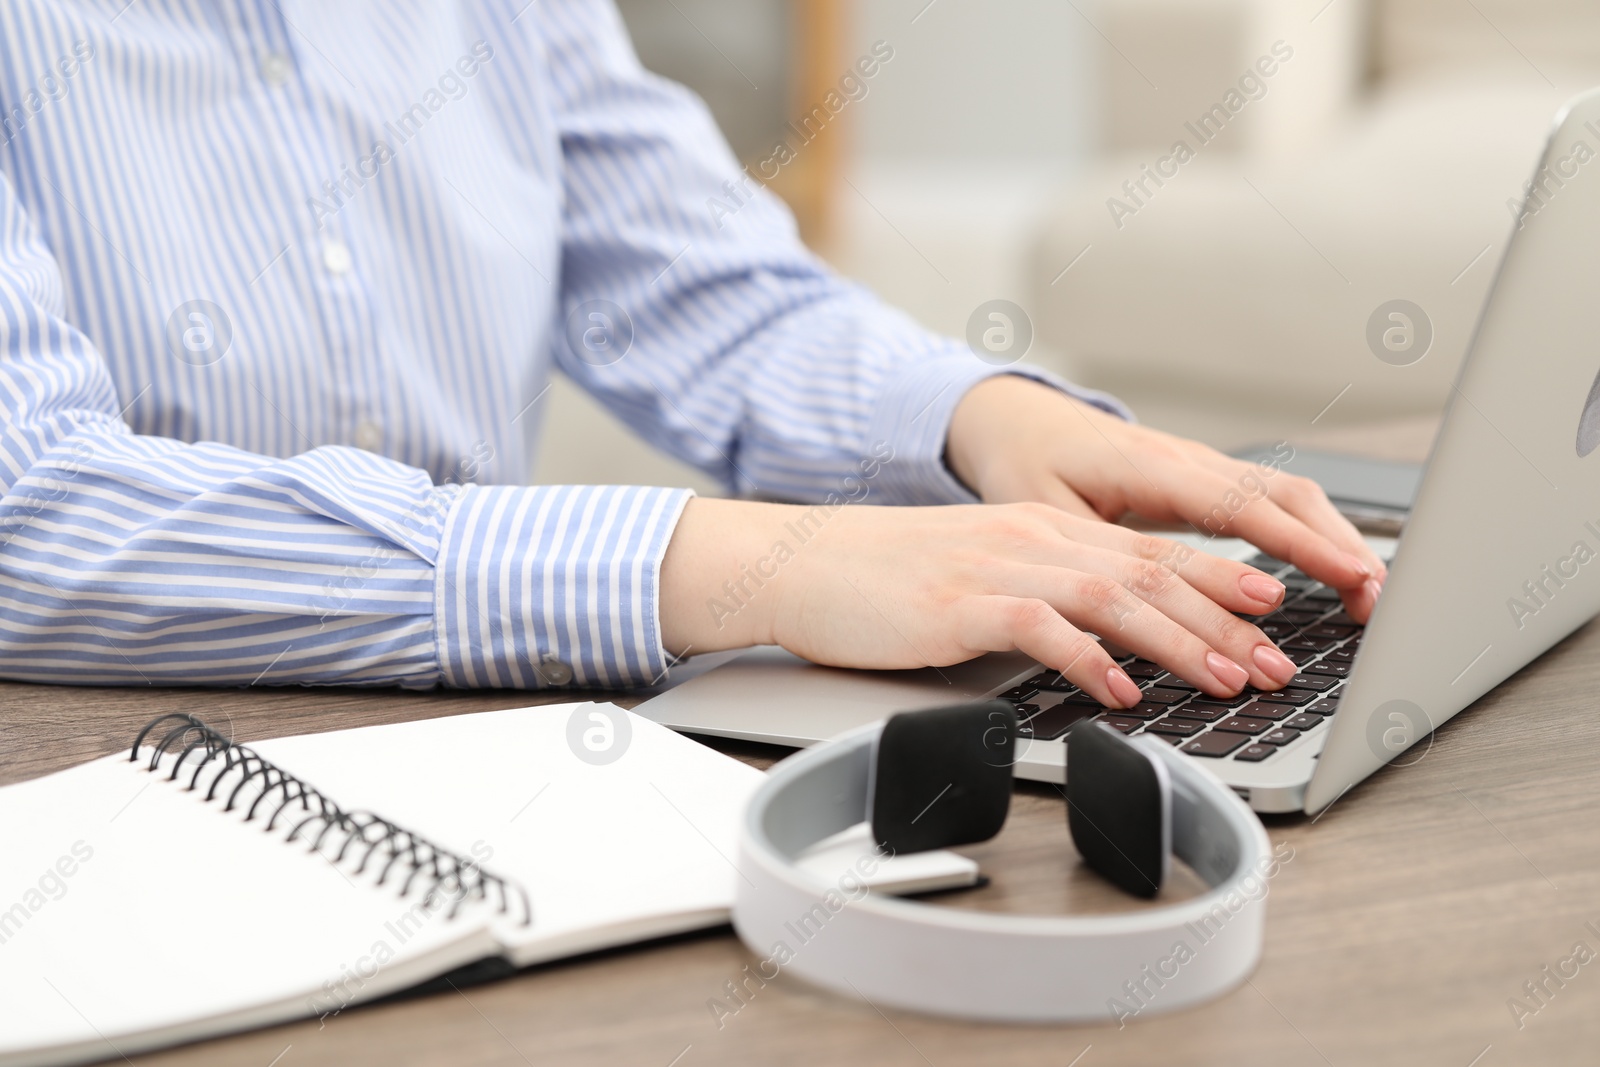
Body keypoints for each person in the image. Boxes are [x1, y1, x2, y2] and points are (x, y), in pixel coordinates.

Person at [0, 0, 1384, 708]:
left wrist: (977, 416)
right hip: (105, 769)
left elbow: (681, 277)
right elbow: (26, 515)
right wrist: (743, 565)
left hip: (481, 735)